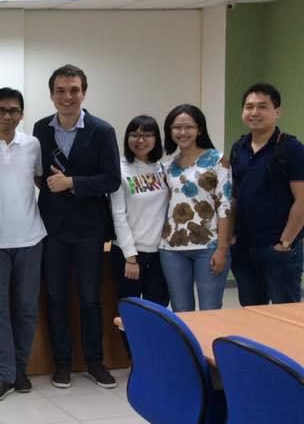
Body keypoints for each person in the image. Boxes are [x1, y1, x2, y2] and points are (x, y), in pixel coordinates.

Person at [33, 64, 121, 389]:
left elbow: (112, 179)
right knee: (56, 296)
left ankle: (95, 362)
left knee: (89, 297)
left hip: (89, 228)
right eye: (60, 91)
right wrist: (50, 184)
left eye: (74, 90)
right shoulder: (41, 128)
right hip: (52, 227)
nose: (67, 97)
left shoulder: (102, 131)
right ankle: (62, 363)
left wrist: (72, 183)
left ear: (84, 92)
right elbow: (38, 174)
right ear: (51, 94)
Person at [0, 88, 46, 402]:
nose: (7, 116)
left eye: (13, 110)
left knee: (27, 309)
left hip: (31, 238)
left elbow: (40, 181)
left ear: (21, 114)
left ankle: (19, 369)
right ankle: (3, 375)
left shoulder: (33, 145)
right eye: (1, 110)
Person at [229, 84, 304, 306]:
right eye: (249, 107)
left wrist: (285, 243)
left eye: (262, 107)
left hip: (278, 249)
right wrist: (231, 237)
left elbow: (302, 199)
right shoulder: (239, 147)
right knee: (251, 312)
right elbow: (234, 196)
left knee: (285, 314)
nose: (254, 112)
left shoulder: (291, 148)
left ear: (277, 112)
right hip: (244, 247)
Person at [160, 104, 232, 312]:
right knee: (181, 311)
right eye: (176, 127)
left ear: (199, 129)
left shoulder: (217, 160)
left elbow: (225, 205)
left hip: (209, 246)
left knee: (210, 310)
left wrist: (222, 248)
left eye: (189, 127)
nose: (182, 132)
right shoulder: (167, 166)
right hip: (172, 248)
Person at [110, 115, 171, 351]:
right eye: (134, 134)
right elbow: (118, 215)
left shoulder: (163, 169)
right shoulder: (119, 169)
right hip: (129, 255)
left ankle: (155, 356)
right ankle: (136, 358)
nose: (140, 140)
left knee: (158, 311)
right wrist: (130, 257)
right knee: (130, 314)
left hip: (160, 254)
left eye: (147, 135)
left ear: (156, 139)